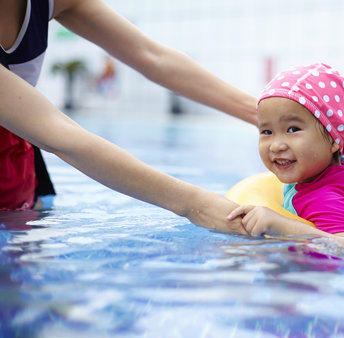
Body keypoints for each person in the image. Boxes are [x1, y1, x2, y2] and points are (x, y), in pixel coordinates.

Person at [0, 0, 258, 233]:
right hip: (41, 135)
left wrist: (267, 116)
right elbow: (57, 134)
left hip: (18, 159)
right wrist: (195, 204)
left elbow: (154, 57)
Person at [227, 63, 344, 257]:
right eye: (267, 131)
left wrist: (283, 226)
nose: (276, 145)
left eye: (293, 129)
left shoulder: (326, 199)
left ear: (333, 140)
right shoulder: (335, 164)